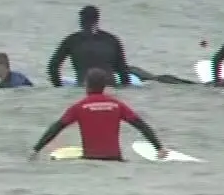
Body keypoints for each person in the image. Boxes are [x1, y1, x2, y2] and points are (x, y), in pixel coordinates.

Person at [28, 68, 168, 162]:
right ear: (104, 86)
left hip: (90, 160)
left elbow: (57, 127)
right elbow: (140, 125)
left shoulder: (79, 106)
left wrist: (36, 149)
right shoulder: (117, 105)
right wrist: (159, 148)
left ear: (87, 85)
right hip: (115, 160)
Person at [46, 5, 133, 87]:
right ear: (97, 20)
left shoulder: (73, 40)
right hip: (110, 87)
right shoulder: (112, 39)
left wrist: (58, 86)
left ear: (81, 21)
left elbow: (52, 67)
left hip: (84, 87)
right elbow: (123, 72)